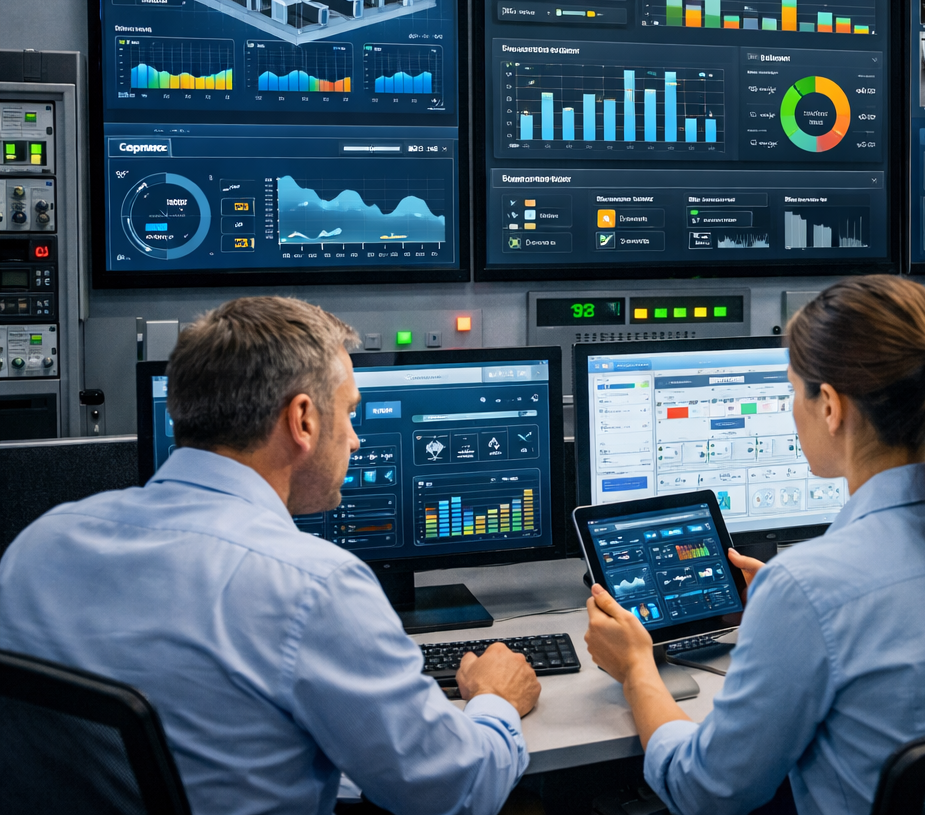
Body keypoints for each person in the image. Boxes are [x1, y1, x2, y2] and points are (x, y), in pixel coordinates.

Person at [0, 297, 540, 815]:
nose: (354, 440)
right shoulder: (311, 586)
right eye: (350, 413)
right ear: (302, 420)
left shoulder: (38, 545)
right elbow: (456, 793)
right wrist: (493, 701)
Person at [583, 275, 925, 815]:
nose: (794, 410)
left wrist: (636, 670)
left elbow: (705, 792)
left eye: (795, 392)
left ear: (832, 406)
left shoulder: (808, 589)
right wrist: (778, 620)